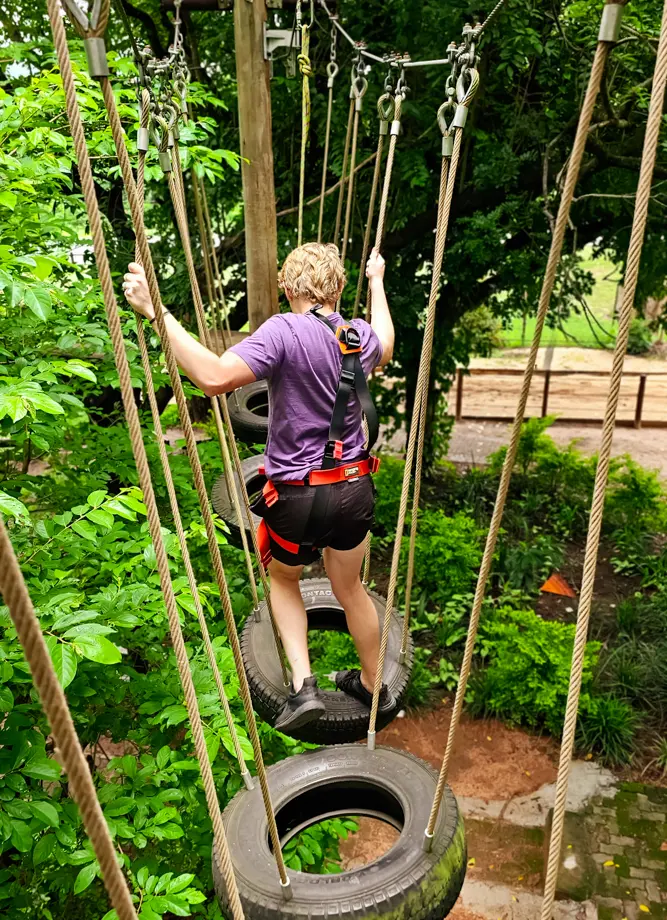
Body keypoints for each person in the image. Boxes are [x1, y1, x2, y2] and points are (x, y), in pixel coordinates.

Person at [122, 242, 395, 733]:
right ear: (337, 288)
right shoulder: (356, 334)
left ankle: (305, 686)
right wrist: (376, 282)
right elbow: (387, 342)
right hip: (354, 488)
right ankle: (375, 684)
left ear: (287, 288)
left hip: (297, 496)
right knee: (350, 587)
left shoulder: (282, 331)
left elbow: (213, 377)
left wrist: (155, 311)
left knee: (285, 580)